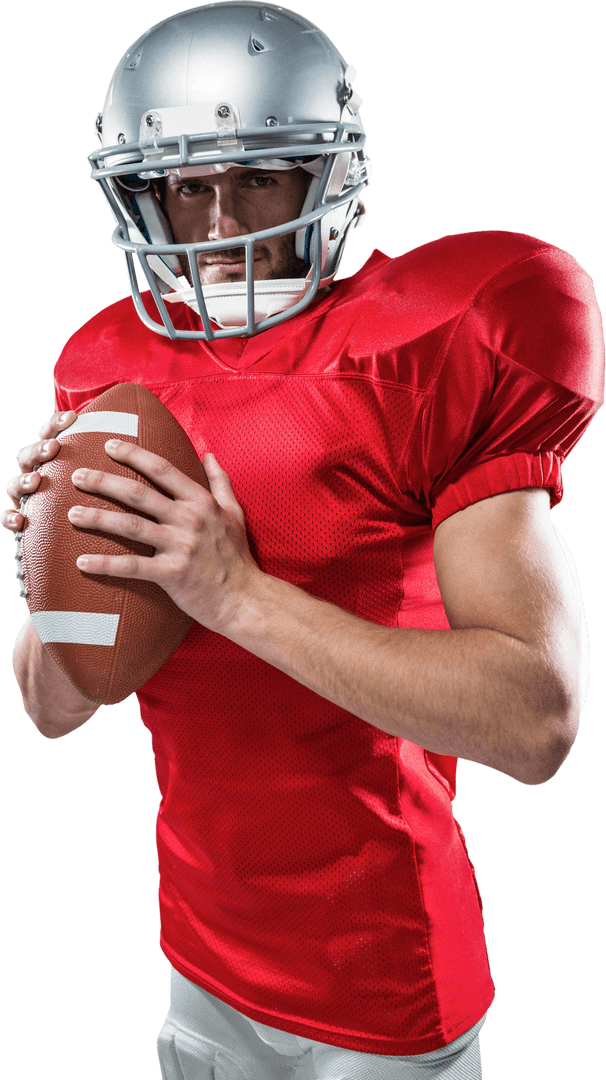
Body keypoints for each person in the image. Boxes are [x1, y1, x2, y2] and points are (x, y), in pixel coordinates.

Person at [3, 3, 604, 1079]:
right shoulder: (105, 374)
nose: (221, 223)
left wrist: (232, 592)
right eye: (187, 187)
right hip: (201, 959)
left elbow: (536, 723)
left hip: (382, 984)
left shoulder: (427, 343)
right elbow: (52, 709)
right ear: (143, 197)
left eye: (261, 178)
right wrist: (58, 569)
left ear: (328, 176)